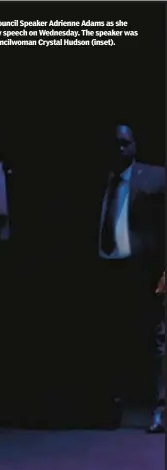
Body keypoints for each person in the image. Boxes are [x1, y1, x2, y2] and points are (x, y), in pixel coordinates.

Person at [91, 122, 164, 431]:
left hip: (146, 272)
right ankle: (110, 408)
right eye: (115, 144)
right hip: (109, 271)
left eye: (125, 143)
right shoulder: (98, 181)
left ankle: (161, 408)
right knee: (112, 341)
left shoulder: (155, 177)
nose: (119, 149)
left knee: (157, 340)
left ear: (135, 145)